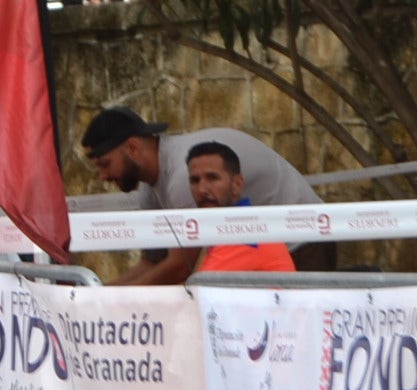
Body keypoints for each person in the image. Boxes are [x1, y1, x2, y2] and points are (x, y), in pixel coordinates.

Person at [81, 106, 320, 284]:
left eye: (105, 164)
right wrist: (98, 294)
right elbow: (152, 263)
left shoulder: (182, 177)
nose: (102, 176)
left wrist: (104, 302)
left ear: (133, 148)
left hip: (303, 241)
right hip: (268, 243)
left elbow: (178, 269)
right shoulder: (152, 189)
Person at [184, 140, 297, 276]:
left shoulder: (246, 233)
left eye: (212, 178)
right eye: (195, 180)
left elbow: (199, 292)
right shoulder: (232, 228)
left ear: (237, 184)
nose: (202, 189)